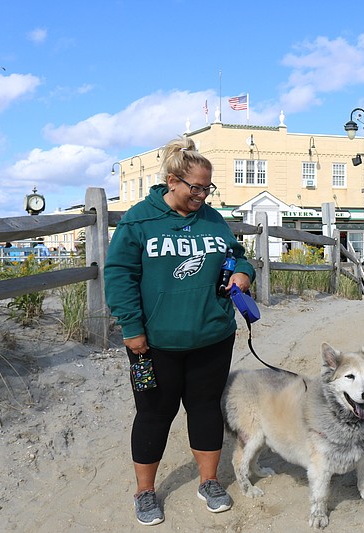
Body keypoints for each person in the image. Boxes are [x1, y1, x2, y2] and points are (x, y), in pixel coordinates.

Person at [104, 136, 255, 526]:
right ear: (172, 181)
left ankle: (209, 482)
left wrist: (243, 272)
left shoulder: (212, 219)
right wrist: (132, 329)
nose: (202, 196)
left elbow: (237, 254)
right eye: (196, 188)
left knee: (205, 410)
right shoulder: (140, 219)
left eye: (208, 188)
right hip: (155, 343)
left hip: (212, 337)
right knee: (154, 414)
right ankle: (145, 492)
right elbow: (120, 275)